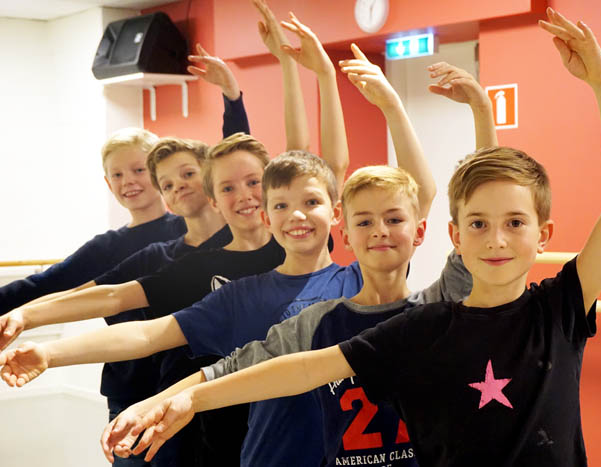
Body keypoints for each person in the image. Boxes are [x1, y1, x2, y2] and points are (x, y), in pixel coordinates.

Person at [103, 9, 601, 467]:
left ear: (543, 234)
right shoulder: (424, 325)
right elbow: (307, 367)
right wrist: (192, 399)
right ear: (455, 236)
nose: (496, 239)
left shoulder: (559, 308)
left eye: (515, 224)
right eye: (479, 224)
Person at [102, 56, 498, 467]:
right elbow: (230, 369)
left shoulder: (438, 308)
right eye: (365, 222)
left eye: (394, 220)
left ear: (419, 231)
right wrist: (155, 403)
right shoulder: (318, 322)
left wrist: (479, 110)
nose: (380, 231)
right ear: (346, 232)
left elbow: (488, 203)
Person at [0, 127, 187, 316]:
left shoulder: (189, 228)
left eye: (139, 170)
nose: (128, 181)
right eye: (117, 175)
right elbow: (42, 285)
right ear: (109, 183)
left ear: (159, 173)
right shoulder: (105, 247)